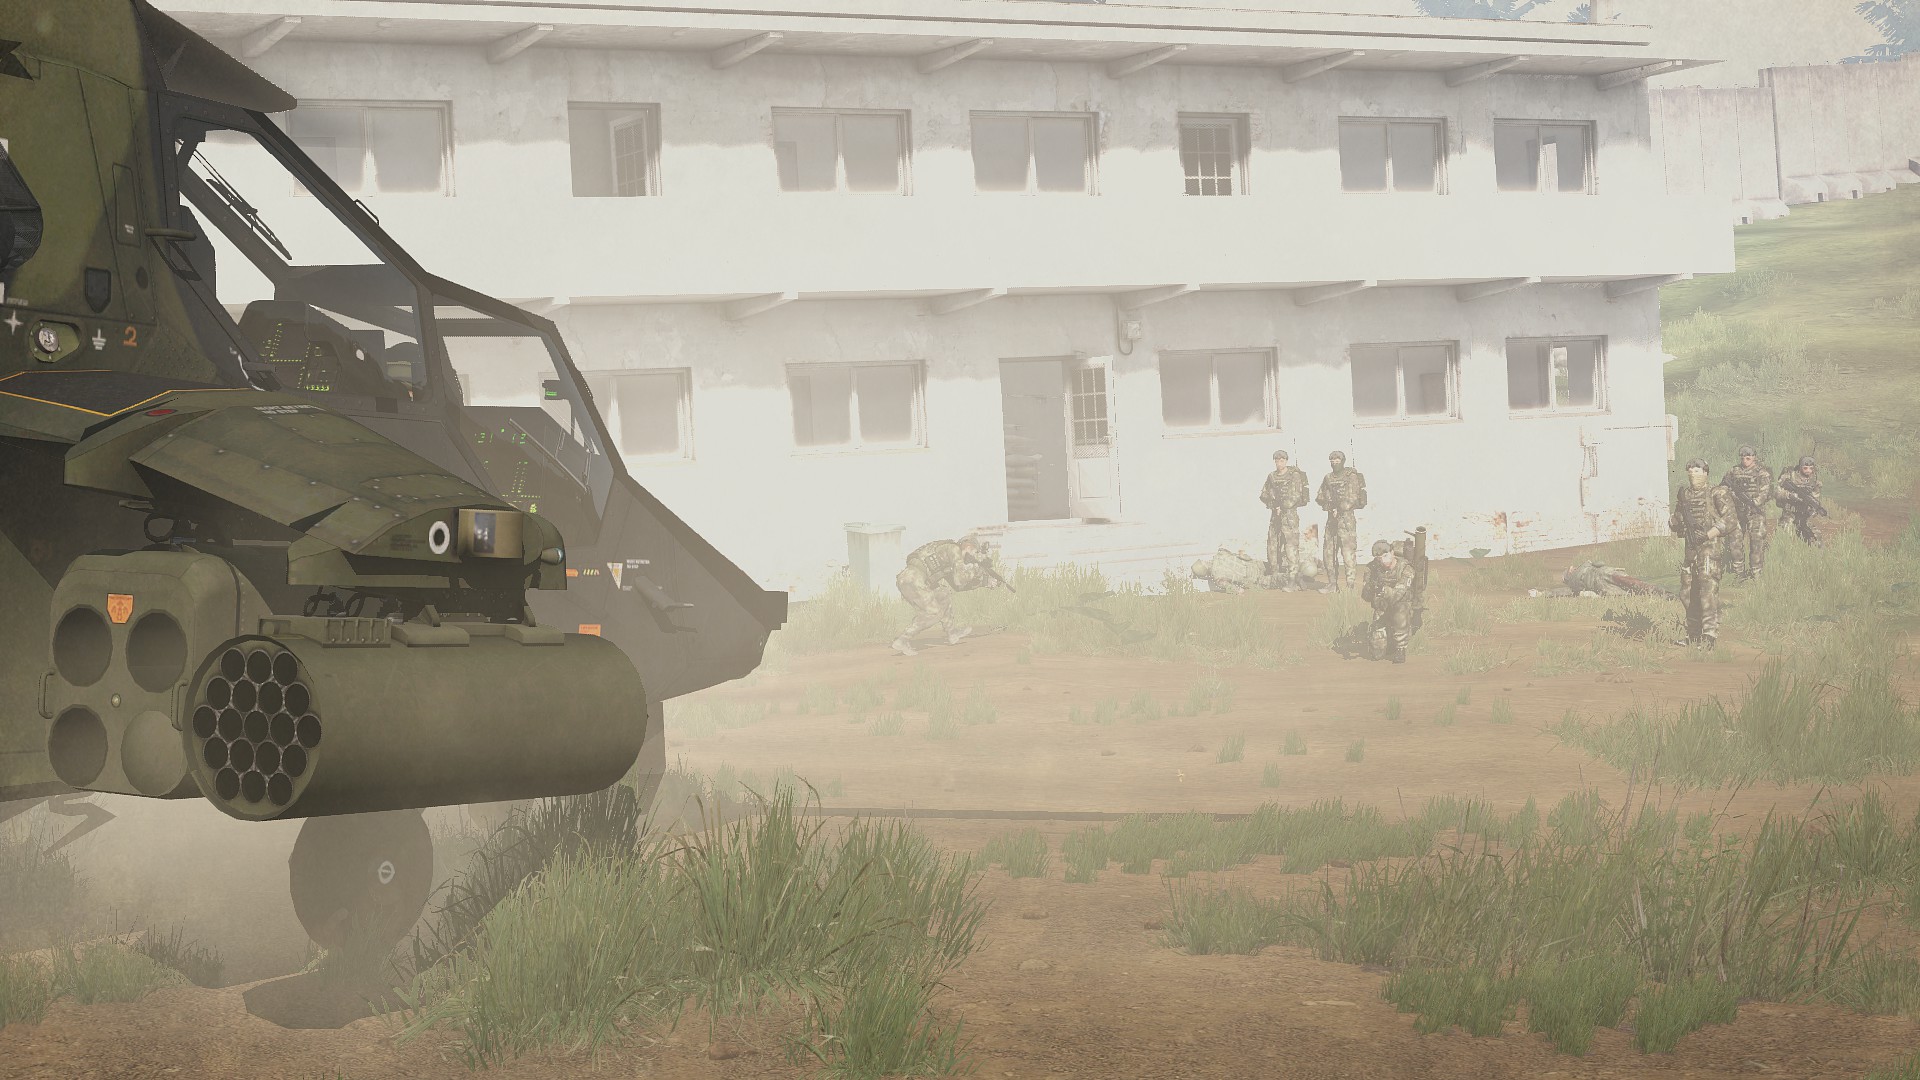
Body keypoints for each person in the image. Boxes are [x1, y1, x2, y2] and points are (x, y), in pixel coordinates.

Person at [891, 534, 1004, 657]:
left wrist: (984, 582)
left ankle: (952, 633)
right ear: (968, 546)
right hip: (913, 579)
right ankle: (903, 639)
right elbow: (960, 579)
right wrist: (976, 570)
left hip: (911, 579)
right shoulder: (954, 549)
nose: (972, 557)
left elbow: (958, 586)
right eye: (974, 552)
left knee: (943, 594)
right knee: (934, 613)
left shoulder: (947, 556)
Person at [1669, 458, 1735, 648]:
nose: (1693, 474)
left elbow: (1730, 519)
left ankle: (1709, 635)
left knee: (1708, 591)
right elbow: (1677, 521)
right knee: (1686, 592)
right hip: (1690, 550)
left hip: (1709, 549)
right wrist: (1674, 521)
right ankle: (1693, 634)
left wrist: (1708, 534)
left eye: (1697, 471)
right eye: (1690, 471)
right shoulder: (1685, 495)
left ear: (1706, 473)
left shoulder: (1717, 492)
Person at [1720, 445, 1777, 579]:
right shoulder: (1733, 471)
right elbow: (1722, 487)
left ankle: (1756, 574)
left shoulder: (1762, 473)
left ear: (1754, 457)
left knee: (1756, 541)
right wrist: (1732, 495)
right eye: (1743, 458)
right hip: (1737, 512)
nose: (1745, 460)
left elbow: (1765, 493)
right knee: (1735, 541)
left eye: (1748, 458)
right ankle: (1738, 573)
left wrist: (1753, 503)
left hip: (1755, 512)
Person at [1315, 450, 1367, 593]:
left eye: (1337, 460)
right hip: (1331, 520)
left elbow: (1353, 497)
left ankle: (1350, 586)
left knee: (1348, 553)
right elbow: (1320, 497)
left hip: (1346, 521)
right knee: (1328, 553)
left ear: (1343, 461)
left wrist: (1339, 508)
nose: (1335, 462)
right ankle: (1332, 584)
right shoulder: (1328, 478)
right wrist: (1329, 506)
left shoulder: (1351, 476)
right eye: (1332, 460)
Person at [1259, 449, 1311, 591]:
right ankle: (1275, 576)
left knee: (1291, 548)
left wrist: (1282, 506)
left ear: (1286, 461)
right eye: (1277, 461)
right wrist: (1273, 504)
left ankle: (1293, 580)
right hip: (1275, 517)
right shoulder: (1272, 476)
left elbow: (1296, 495)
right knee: (1272, 546)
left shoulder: (1294, 475)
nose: (1279, 463)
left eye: (1281, 461)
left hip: (1289, 517)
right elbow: (1264, 494)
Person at [1360, 539, 1414, 663]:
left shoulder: (1405, 568)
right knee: (1377, 653)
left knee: (1400, 611)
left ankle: (1401, 647)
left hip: (1400, 608)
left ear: (1392, 552)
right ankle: (1389, 638)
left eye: (1386, 556)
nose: (1383, 561)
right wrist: (1369, 588)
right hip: (1382, 609)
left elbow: (1398, 594)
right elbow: (1366, 597)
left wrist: (1383, 590)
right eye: (1379, 558)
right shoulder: (1372, 568)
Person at [1529, 561, 1675, 600]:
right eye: (1570, 569)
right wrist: (1542, 594)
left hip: (1604, 576)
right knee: (1632, 591)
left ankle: (1664, 593)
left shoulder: (1584, 569)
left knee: (1634, 584)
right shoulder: (1574, 585)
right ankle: (1663, 594)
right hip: (1603, 581)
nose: (1573, 567)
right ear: (1569, 575)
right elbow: (1561, 592)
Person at [1776, 455, 1826, 547]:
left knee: (1817, 540)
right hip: (1789, 515)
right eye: (1805, 468)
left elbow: (1814, 498)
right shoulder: (1790, 476)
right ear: (1800, 467)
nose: (1808, 471)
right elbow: (1777, 494)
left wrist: (1813, 510)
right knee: (1785, 538)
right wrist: (1789, 495)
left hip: (1803, 517)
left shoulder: (1814, 481)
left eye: (1811, 468)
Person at [1192, 548, 1271, 594]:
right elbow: (1238, 555)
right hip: (1258, 564)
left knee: (1276, 582)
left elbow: (1239, 591)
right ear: (1204, 562)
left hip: (1257, 579)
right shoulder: (1220, 553)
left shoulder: (1218, 579)